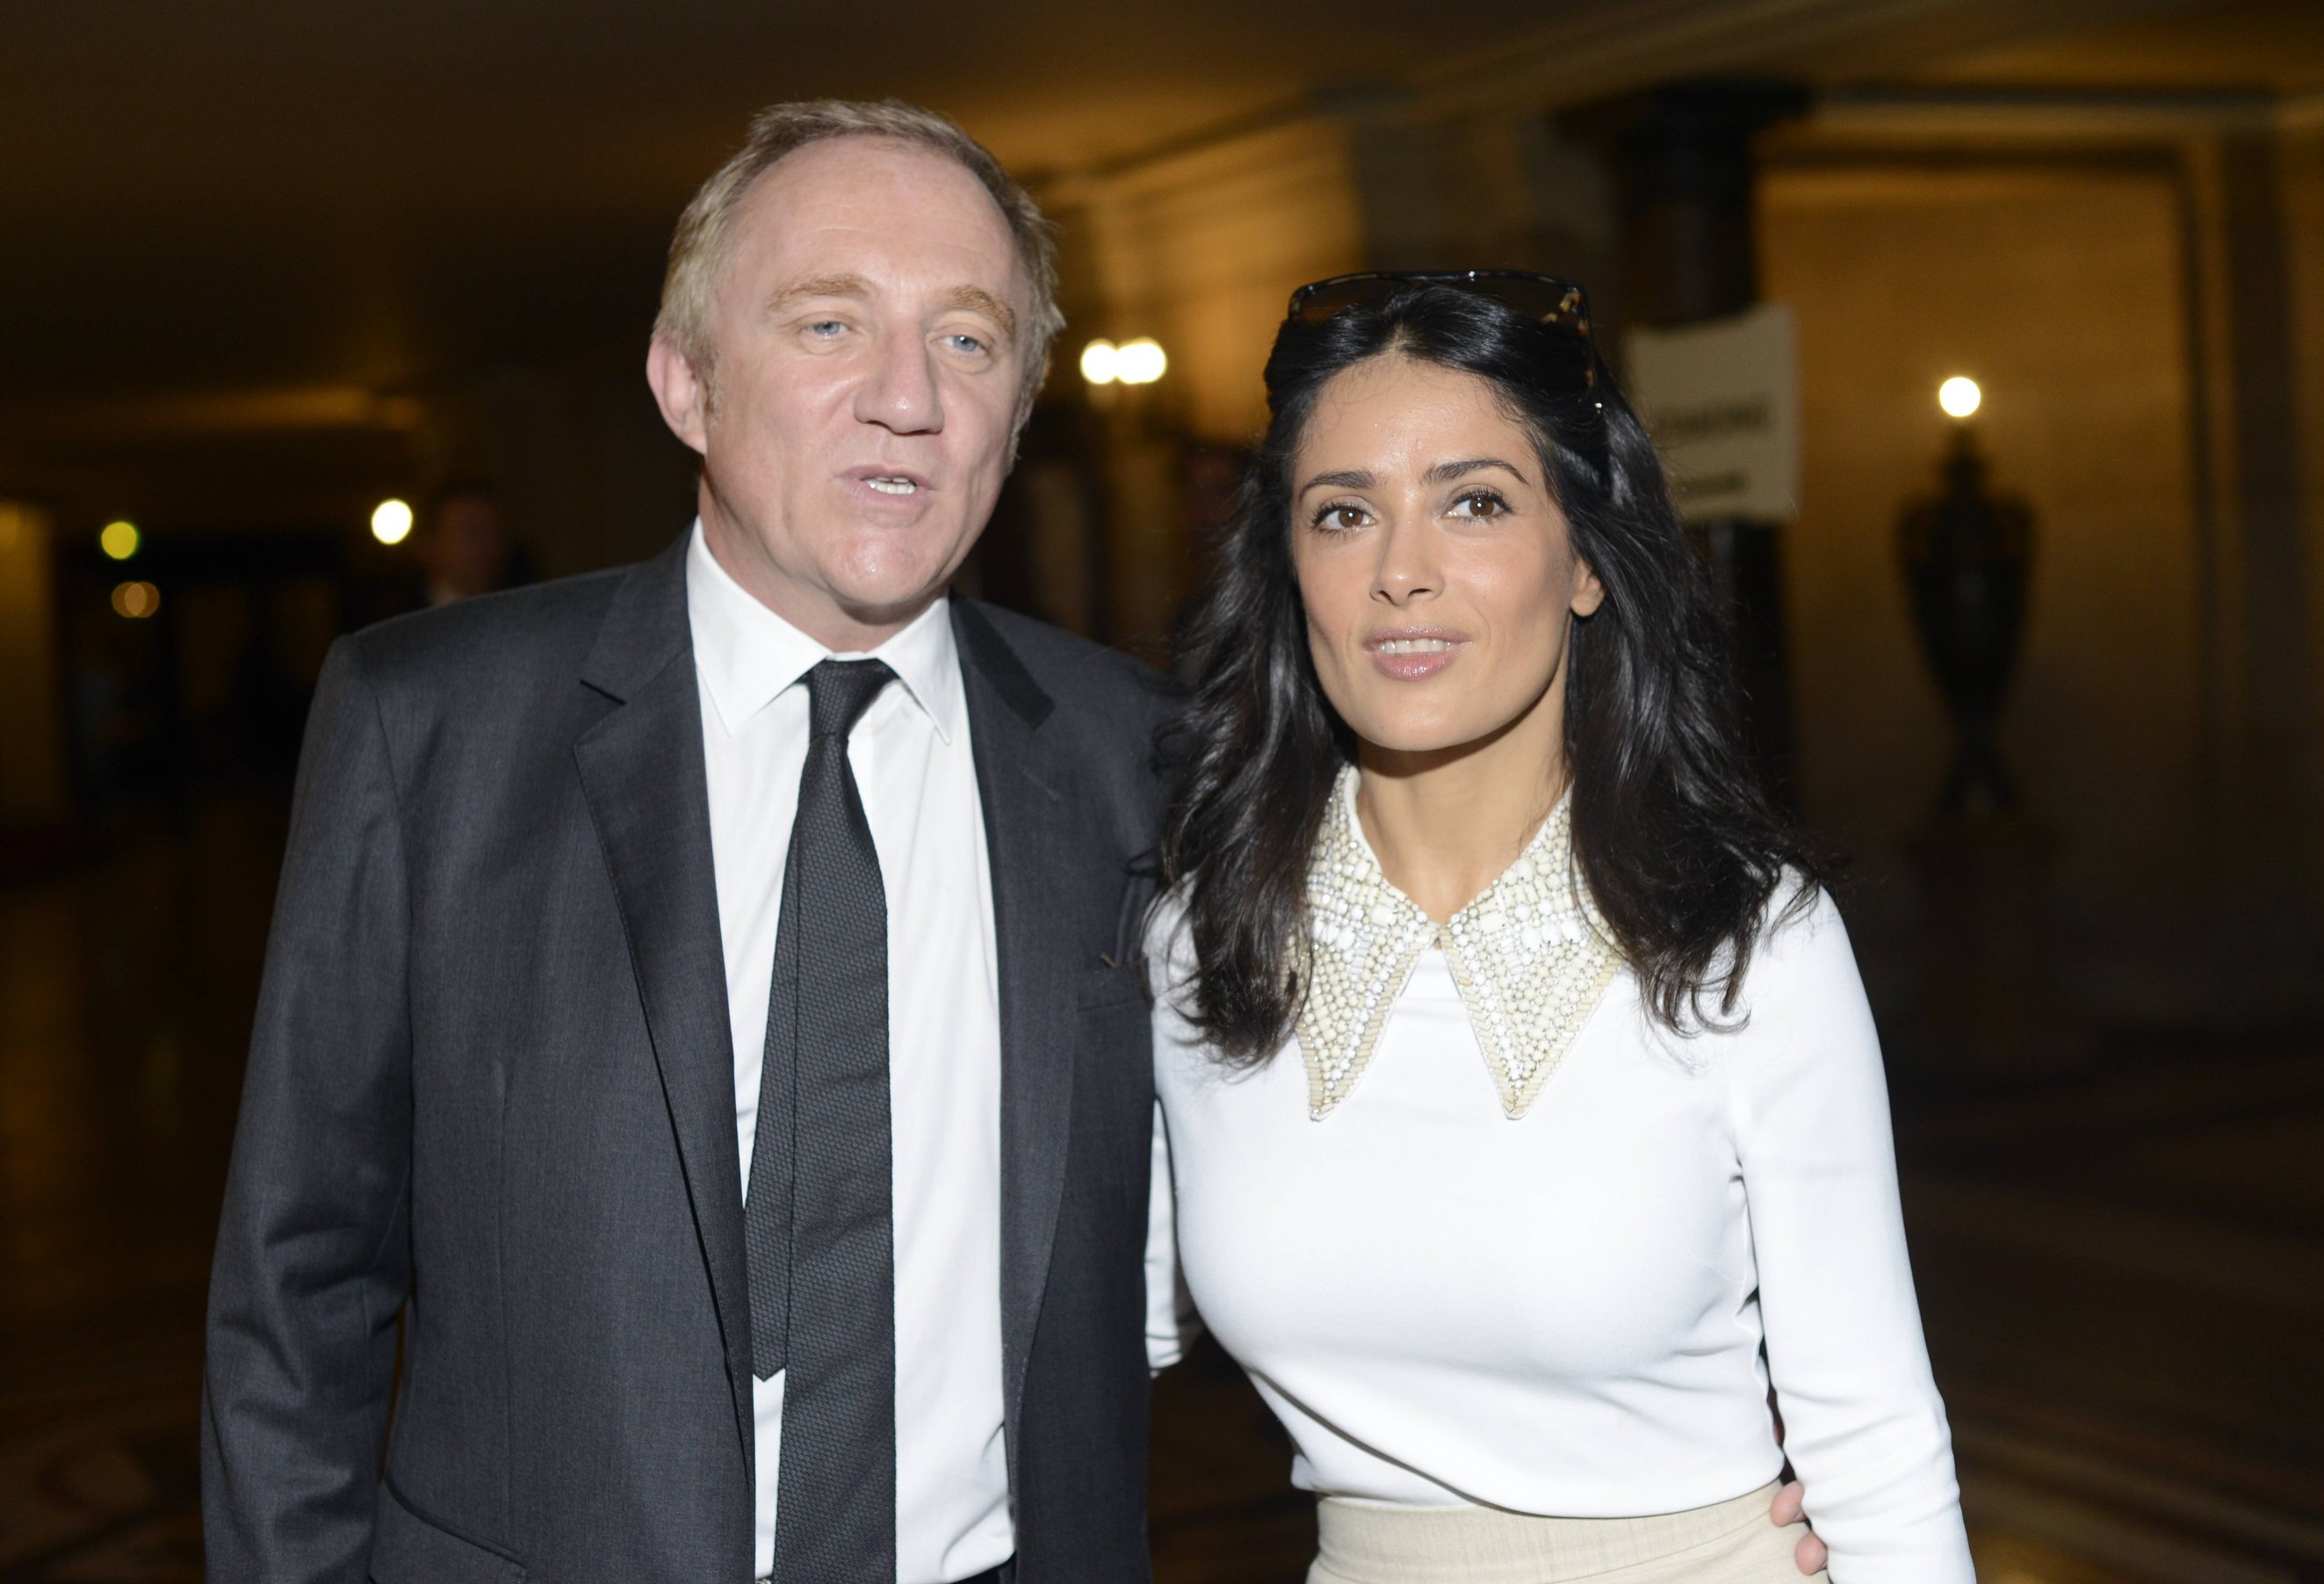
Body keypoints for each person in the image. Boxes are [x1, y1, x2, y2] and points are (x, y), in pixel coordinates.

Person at [202, 99, 1173, 1584]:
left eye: (969, 339)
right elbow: (298, 1281)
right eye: (829, 324)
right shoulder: (432, 727)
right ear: (685, 384)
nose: (907, 396)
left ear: (1019, 407)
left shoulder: (1136, 757)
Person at [1147, 273, 1973, 1582]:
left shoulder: (1742, 938)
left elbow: (1870, 1431)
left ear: (1586, 556)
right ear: (1287, 561)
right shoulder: (1205, 935)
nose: (1400, 573)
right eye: (1343, 512)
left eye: (1473, 502)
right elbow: (1070, 1318)